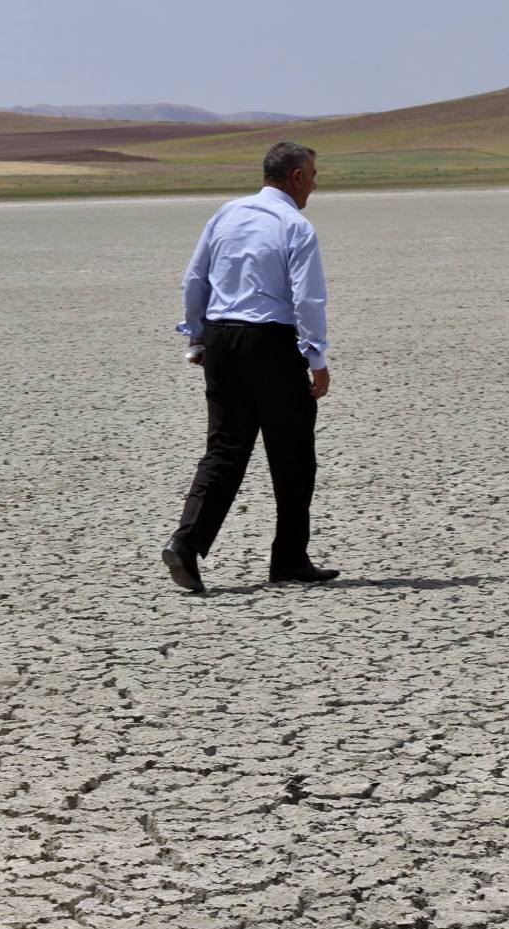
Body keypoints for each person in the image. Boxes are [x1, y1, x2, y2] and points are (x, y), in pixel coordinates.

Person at [161, 141, 340, 593]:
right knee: (293, 452)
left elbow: (195, 279)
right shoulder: (295, 225)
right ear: (296, 176)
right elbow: (308, 298)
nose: (316, 184)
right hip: (271, 342)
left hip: (222, 338)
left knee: (224, 449)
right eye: (313, 174)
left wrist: (199, 337)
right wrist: (316, 357)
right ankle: (289, 559)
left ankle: (186, 543)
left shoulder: (226, 214)